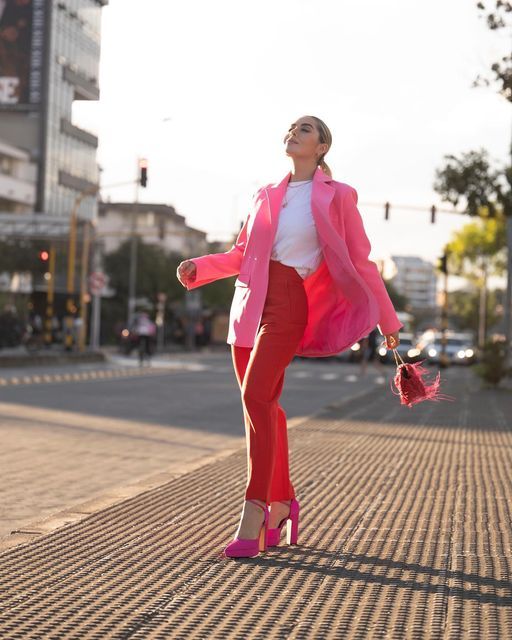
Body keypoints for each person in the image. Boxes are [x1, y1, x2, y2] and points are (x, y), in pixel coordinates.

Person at [176, 115, 402, 559]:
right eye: (292, 127)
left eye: (305, 129)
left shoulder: (339, 196)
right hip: (248, 307)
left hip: (289, 305)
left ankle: (254, 510)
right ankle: (283, 503)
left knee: (258, 397)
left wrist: (388, 323)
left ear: (321, 147)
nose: (293, 132)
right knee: (263, 409)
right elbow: (242, 254)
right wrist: (199, 269)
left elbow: (361, 262)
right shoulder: (266, 194)